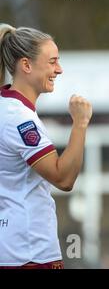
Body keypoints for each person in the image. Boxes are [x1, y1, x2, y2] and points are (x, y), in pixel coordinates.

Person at [0, 24, 92, 268]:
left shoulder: (8, 108)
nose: (59, 70)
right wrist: (80, 123)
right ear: (26, 65)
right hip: (28, 250)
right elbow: (64, 178)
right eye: (52, 62)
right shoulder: (19, 118)